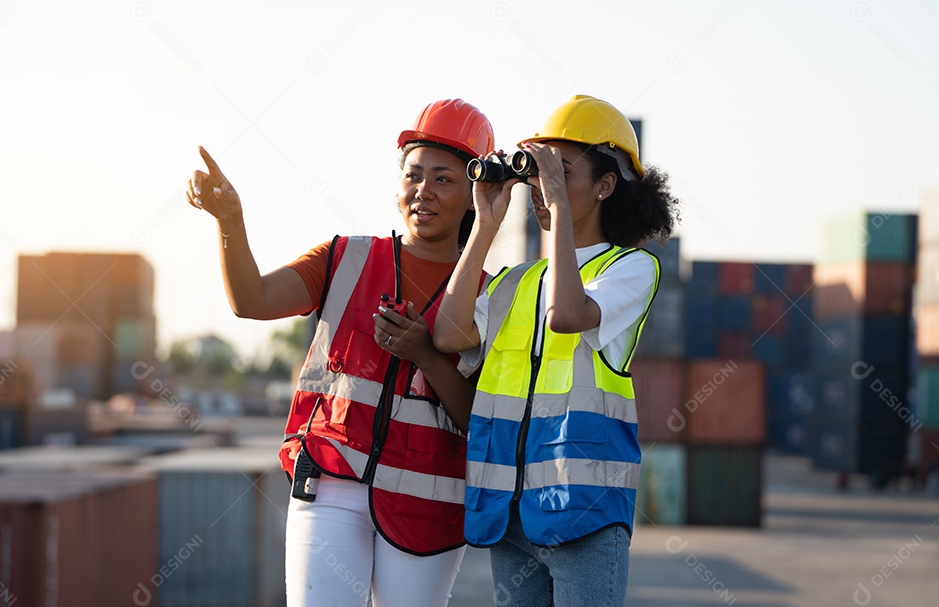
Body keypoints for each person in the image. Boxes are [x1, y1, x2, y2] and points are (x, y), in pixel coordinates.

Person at [185, 99, 495, 607]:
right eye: (414, 175)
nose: (424, 192)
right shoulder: (346, 257)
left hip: (427, 503)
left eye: (444, 179)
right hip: (331, 484)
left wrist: (427, 355)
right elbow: (250, 301)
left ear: (474, 195)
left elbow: (478, 419)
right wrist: (230, 219)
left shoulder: (493, 294)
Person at [434, 95, 679, 606]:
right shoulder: (515, 283)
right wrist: (483, 224)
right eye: (538, 174)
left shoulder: (630, 269)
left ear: (605, 186)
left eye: (560, 172)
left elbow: (568, 316)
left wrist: (560, 209)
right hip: (511, 513)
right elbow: (449, 336)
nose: (543, 191)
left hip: (584, 513)